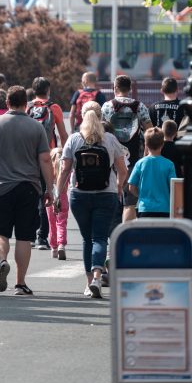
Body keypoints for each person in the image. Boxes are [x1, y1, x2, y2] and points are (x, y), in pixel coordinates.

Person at [0, 85, 54, 297]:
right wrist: (49, 188)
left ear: (7, 103)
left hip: (0, 187)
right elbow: (45, 159)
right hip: (28, 187)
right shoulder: (36, 127)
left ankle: (2, 260)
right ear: (26, 104)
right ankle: (20, 283)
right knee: (24, 237)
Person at [55, 106, 128, 299]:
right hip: (106, 194)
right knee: (100, 238)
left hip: (79, 195)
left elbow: (64, 170)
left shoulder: (74, 139)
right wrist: (119, 186)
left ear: (81, 119)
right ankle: (97, 277)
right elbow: (123, 170)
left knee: (87, 239)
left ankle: (89, 283)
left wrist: (57, 194)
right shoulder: (110, 139)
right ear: (101, 118)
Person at [102, 75, 151, 223]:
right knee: (130, 201)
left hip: (111, 159)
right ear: (130, 89)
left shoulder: (107, 106)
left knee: (112, 196)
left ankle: (113, 231)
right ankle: (125, 232)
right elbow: (150, 132)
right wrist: (146, 154)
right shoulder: (140, 106)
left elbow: (101, 133)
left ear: (115, 88)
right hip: (134, 157)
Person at [29, 77, 68, 250]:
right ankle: (42, 237)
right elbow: (63, 134)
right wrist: (65, 155)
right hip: (48, 157)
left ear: (33, 90)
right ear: (48, 90)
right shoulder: (54, 108)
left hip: (28, 157)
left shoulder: (27, 107)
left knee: (30, 195)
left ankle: (29, 235)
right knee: (46, 194)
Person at [127, 128, 176, 218]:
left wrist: (141, 195)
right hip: (164, 208)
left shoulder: (140, 163)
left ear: (146, 144)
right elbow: (174, 188)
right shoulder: (169, 164)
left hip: (144, 208)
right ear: (162, 144)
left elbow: (131, 187)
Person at [45, 149, 69, 259]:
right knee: (62, 223)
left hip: (50, 198)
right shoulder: (65, 170)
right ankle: (61, 245)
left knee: (52, 224)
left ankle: (54, 248)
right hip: (63, 197)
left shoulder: (49, 170)